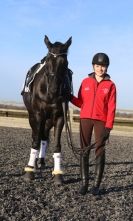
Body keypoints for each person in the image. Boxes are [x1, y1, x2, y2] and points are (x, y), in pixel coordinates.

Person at [70, 53, 116, 195]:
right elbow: (80, 102)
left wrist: (109, 126)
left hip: (101, 121)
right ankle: (84, 184)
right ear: (93, 66)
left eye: (103, 66)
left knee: (100, 151)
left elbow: (112, 107)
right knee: (84, 150)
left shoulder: (110, 85)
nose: (100, 69)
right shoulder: (85, 82)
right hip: (85, 119)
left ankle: (96, 185)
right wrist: (69, 96)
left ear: (106, 67)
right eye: (97, 66)